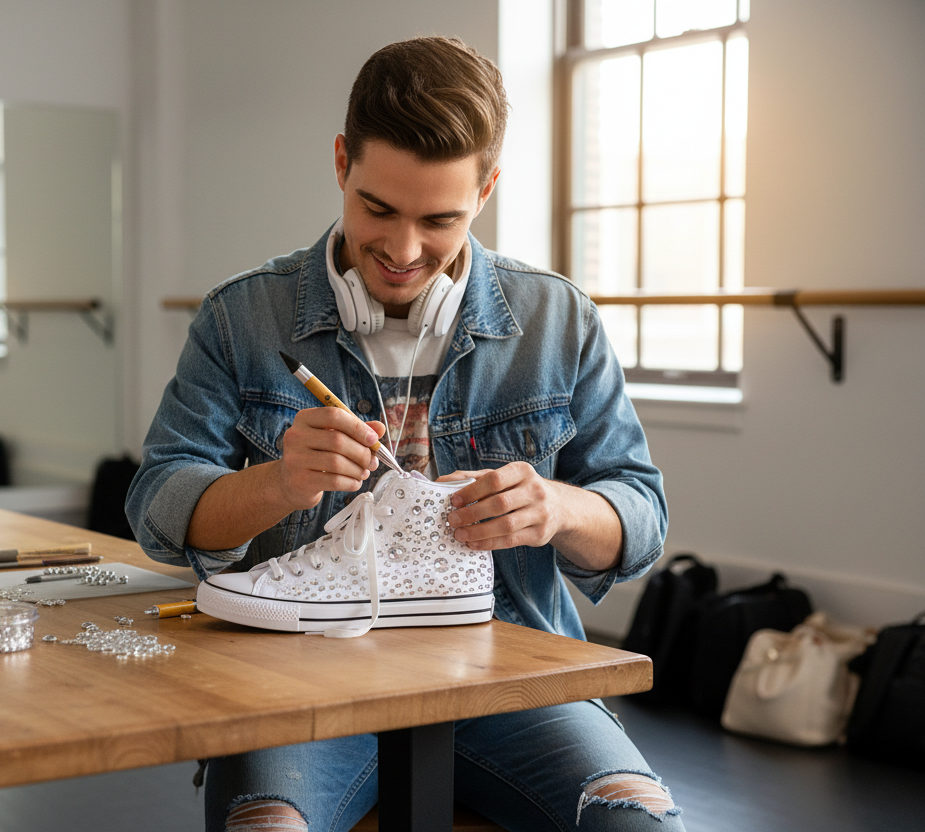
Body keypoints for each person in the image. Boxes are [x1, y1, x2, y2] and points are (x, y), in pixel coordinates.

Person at [126, 36, 680, 832]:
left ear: (486, 190)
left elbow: (641, 520)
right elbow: (157, 508)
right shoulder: (241, 317)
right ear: (343, 161)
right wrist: (278, 483)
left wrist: (555, 508)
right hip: (301, 681)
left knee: (639, 823)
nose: (403, 250)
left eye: (440, 220)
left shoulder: (559, 321)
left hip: (509, 676)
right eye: (377, 209)